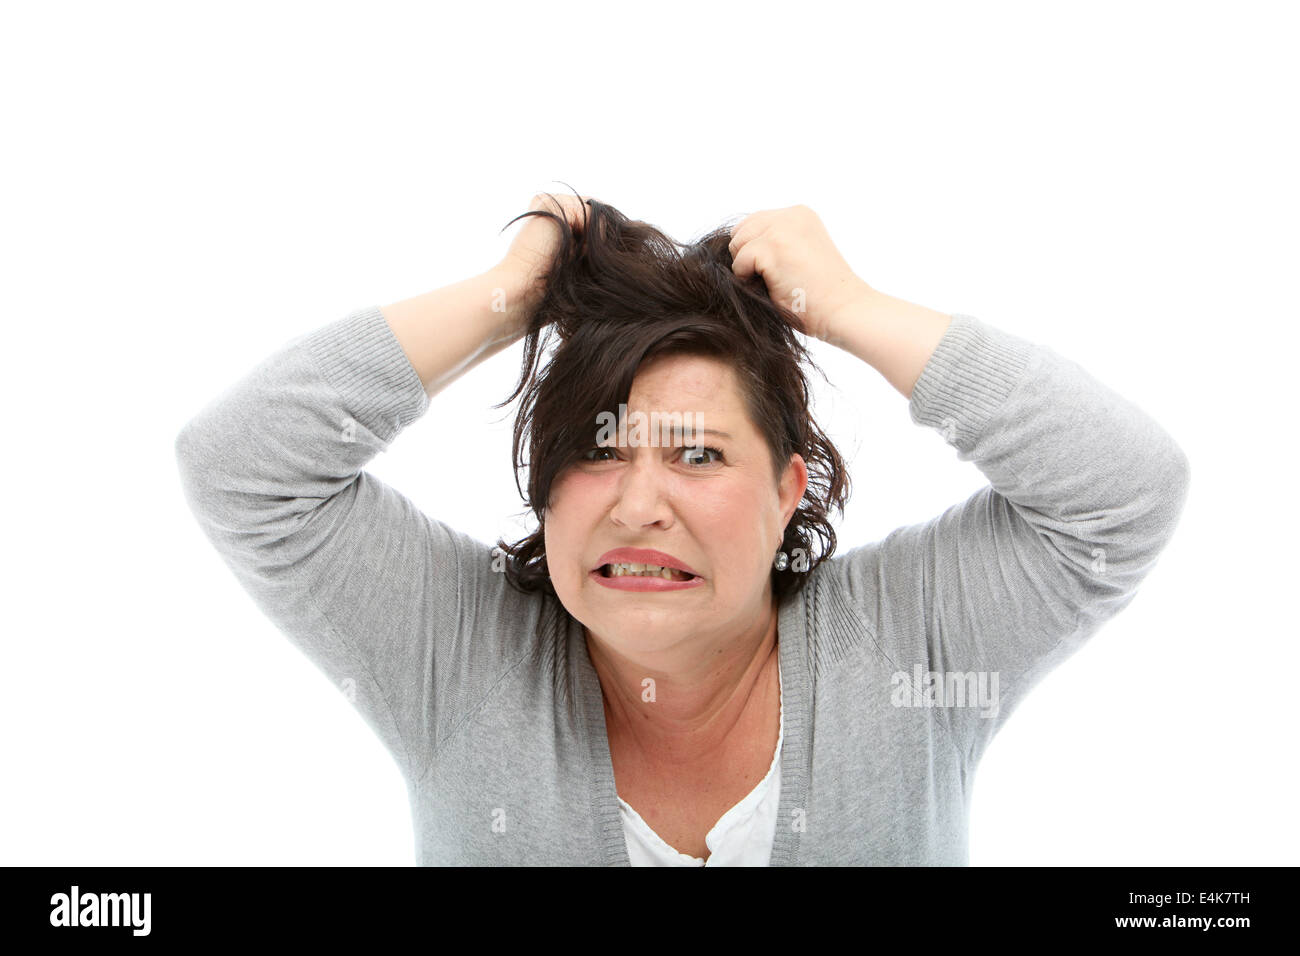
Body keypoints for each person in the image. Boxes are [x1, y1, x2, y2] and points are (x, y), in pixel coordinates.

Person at [174, 192, 1190, 865]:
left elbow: (1125, 487)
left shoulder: (909, 638)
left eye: (698, 454)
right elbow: (242, 464)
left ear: (790, 486)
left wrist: (846, 305)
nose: (637, 502)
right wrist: (509, 299)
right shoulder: (458, 652)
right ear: (543, 490)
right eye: (599, 450)